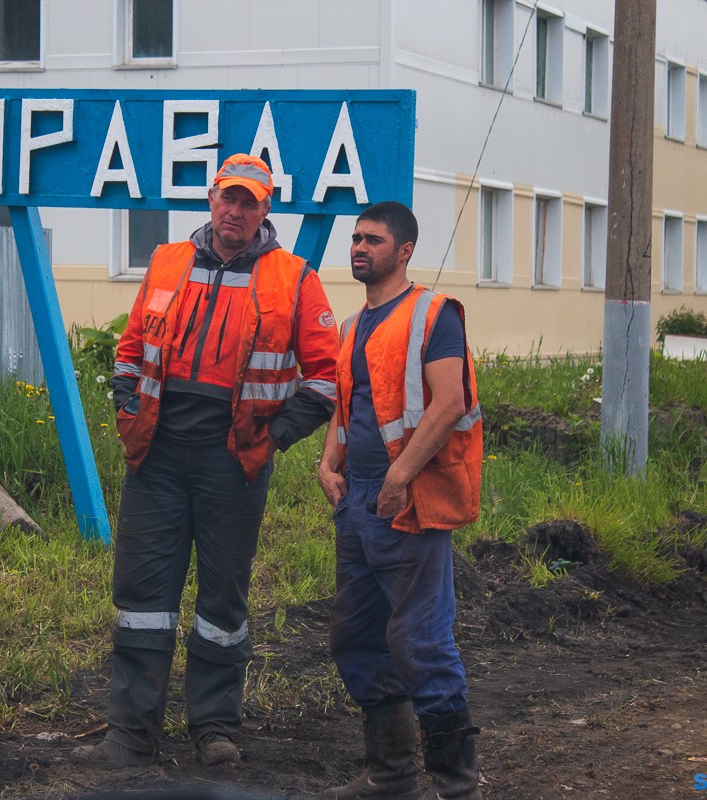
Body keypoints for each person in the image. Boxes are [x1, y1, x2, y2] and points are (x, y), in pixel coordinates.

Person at [72, 153, 340, 769]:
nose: (235, 211)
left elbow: (326, 378)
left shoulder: (295, 278)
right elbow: (132, 346)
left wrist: (274, 439)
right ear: (212, 198)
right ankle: (133, 730)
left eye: (249, 202)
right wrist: (125, 408)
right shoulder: (167, 261)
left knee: (222, 599)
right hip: (157, 455)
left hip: (234, 462)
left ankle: (214, 726)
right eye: (228, 197)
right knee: (143, 594)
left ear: (265, 210)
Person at [317, 201, 484, 800]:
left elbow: (449, 403)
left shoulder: (432, 315)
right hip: (357, 502)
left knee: (420, 641)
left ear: (405, 250)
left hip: (407, 502)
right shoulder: (353, 325)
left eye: (373, 239)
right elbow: (349, 405)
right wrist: (327, 461)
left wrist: (399, 477)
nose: (359, 247)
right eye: (356, 238)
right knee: (356, 640)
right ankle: (391, 777)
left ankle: (456, 787)